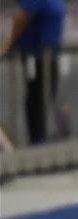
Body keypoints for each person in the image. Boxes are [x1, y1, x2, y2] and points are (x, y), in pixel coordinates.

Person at [1, 0, 66, 145]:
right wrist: (10, 44)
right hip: (36, 57)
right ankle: (37, 140)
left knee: (45, 96)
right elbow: (22, 17)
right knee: (36, 98)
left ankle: (41, 139)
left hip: (49, 55)